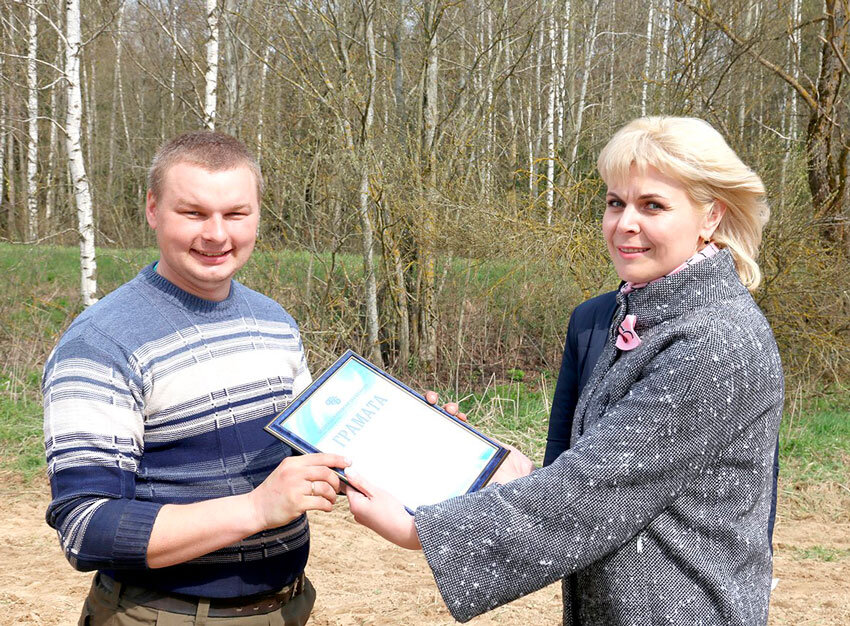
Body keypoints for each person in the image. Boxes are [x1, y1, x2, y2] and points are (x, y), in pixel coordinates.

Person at [346, 116, 784, 625]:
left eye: (653, 206)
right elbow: (613, 474)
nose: (625, 224)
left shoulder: (713, 341)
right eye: (615, 202)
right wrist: (496, 471)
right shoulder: (648, 314)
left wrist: (421, 531)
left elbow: (592, 493)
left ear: (711, 217)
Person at [43, 131, 349, 625]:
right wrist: (255, 509)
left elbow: (311, 453)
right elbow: (86, 527)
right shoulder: (100, 343)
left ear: (258, 214)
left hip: (288, 607)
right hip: (161, 614)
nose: (216, 235)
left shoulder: (274, 321)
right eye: (193, 213)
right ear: (153, 209)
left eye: (236, 213)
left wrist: (419, 437)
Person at [544, 290, 780, 554]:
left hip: (684, 551)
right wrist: (546, 506)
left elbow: (758, 475)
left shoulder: (727, 333)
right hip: (591, 529)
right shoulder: (588, 317)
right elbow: (562, 435)